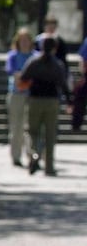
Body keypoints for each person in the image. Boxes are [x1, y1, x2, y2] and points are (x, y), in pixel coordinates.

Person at [20, 36, 72, 176]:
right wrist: (69, 101)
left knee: (31, 131)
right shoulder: (58, 64)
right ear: (54, 48)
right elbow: (63, 84)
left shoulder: (34, 62)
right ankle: (49, 167)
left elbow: (23, 78)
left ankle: (33, 154)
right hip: (52, 101)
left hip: (35, 99)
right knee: (50, 134)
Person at [4, 28, 34, 166]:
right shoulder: (13, 56)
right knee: (16, 126)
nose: (24, 43)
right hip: (16, 94)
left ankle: (31, 154)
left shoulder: (35, 56)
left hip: (32, 95)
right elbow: (13, 72)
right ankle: (16, 156)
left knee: (30, 127)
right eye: (22, 40)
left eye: (27, 40)